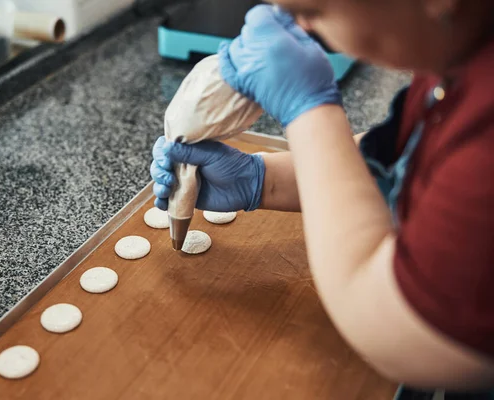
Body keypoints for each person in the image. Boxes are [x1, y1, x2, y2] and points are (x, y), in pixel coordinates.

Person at [150, 0, 494, 395]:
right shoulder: (458, 46)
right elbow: (413, 165)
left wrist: (310, 112)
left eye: (311, 11)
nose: (299, 24)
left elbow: (406, 331)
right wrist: (264, 180)